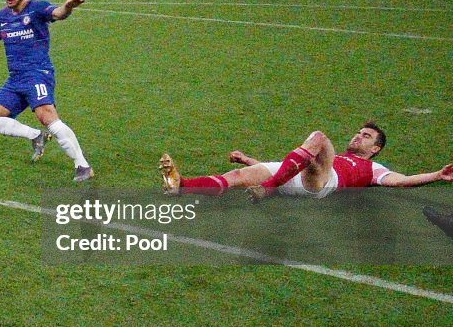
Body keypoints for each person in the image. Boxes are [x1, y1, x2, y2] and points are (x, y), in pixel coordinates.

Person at [0, 0, 94, 182]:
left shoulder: (37, 8)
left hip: (37, 75)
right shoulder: (2, 16)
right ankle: (35, 136)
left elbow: (58, 13)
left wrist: (69, 7)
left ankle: (82, 165)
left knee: (47, 117)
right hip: (15, 80)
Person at [160, 122, 453, 201]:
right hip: (295, 177)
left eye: (366, 136)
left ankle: (270, 187)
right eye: (358, 132)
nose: (358, 137)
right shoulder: (340, 156)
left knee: (319, 138)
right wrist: (249, 159)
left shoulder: (375, 168)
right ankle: (180, 186)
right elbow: (294, 164)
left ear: (375, 149)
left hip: (321, 183)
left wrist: (437, 175)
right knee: (237, 174)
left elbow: (401, 182)